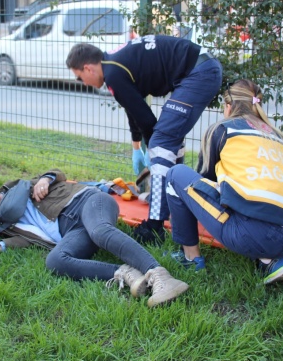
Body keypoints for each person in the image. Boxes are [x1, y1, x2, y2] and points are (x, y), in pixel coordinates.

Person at [66, 35, 223, 244]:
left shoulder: (113, 73)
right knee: (169, 139)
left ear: (88, 68)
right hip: (201, 68)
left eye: (79, 77)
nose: (82, 82)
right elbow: (134, 108)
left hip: (199, 72)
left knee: (162, 141)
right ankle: (174, 200)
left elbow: (148, 121)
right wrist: (136, 147)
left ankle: (154, 227)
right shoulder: (113, 65)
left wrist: (153, 151)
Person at [165, 79, 283, 284]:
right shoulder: (280, 138)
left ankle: (190, 258)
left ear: (229, 106)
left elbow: (203, 183)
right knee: (254, 204)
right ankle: (272, 261)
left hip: (252, 234)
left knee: (175, 175)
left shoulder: (223, 129)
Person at [0, 169, 189, 307]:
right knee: (55, 261)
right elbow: (25, 240)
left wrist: (44, 179)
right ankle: (127, 273)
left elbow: (57, 173)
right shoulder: (11, 226)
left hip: (89, 202)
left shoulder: (25, 186)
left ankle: (160, 275)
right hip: (73, 230)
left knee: (100, 231)